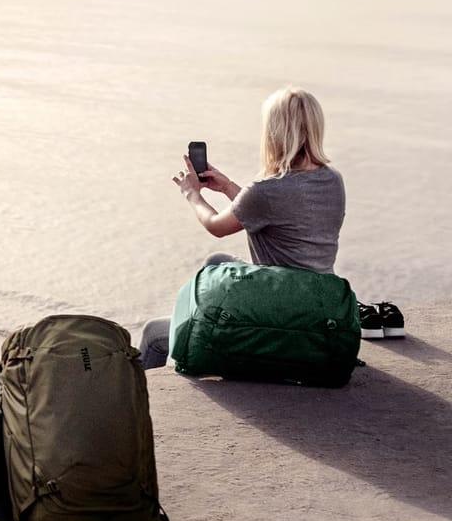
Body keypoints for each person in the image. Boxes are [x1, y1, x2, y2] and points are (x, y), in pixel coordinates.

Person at [139, 86, 347, 368]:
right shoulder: (332, 180)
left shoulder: (267, 189)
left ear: (274, 132)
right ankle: (195, 323)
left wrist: (191, 194)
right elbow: (282, 215)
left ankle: (181, 348)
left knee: (153, 333)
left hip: (282, 313)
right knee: (216, 262)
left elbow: (216, 226)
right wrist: (227, 186)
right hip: (320, 305)